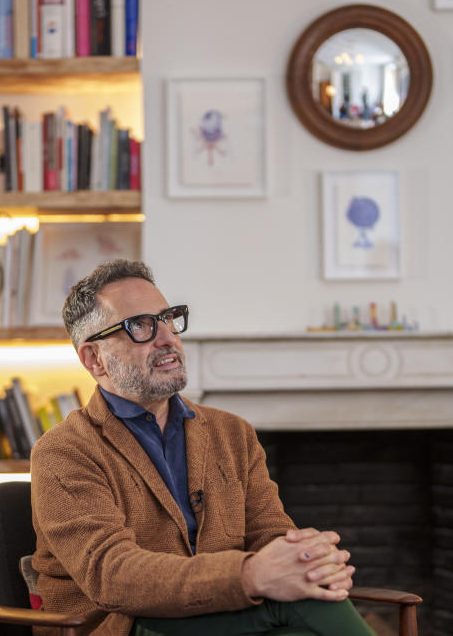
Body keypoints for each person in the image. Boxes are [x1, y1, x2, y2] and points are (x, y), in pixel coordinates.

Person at [30, 259, 375, 636]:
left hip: (223, 615)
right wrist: (251, 574)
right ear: (93, 358)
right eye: (141, 325)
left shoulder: (233, 433)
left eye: (168, 318)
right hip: (126, 626)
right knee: (310, 606)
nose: (167, 338)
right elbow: (112, 575)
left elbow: (269, 532)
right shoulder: (63, 452)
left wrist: (307, 559)